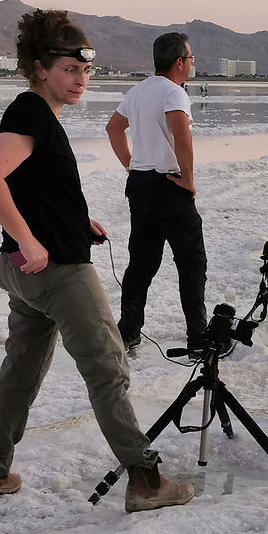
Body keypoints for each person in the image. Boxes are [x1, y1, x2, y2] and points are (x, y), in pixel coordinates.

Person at [0, 9, 194, 512]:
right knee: (107, 366)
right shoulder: (30, 112)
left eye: (86, 71)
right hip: (56, 273)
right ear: (40, 68)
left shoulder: (40, 116)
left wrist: (76, 224)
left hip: (27, 273)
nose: (80, 80)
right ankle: (146, 483)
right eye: (70, 69)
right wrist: (29, 239)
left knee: (20, 372)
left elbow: (36, 188)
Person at [106, 33, 208, 353]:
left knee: (142, 262)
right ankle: (198, 339)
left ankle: (128, 331)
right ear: (179, 62)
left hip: (140, 185)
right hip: (168, 185)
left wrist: (131, 165)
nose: (192, 64)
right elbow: (182, 136)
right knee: (191, 262)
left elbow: (113, 128)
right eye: (191, 59)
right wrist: (189, 179)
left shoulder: (138, 90)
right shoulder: (173, 93)